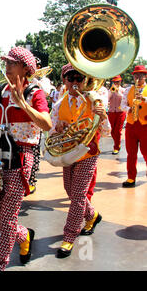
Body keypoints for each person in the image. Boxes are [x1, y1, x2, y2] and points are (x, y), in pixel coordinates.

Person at [0, 47, 52, 271]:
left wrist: (23, 103)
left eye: (12, 62)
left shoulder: (35, 92)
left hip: (22, 156)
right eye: (7, 62)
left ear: (25, 67)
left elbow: (46, 124)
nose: (7, 65)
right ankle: (23, 236)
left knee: (7, 217)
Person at [50, 63, 110, 258]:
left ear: (85, 80)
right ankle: (92, 216)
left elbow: (107, 132)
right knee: (70, 190)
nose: (76, 82)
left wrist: (103, 118)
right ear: (65, 81)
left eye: (80, 78)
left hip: (88, 153)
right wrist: (58, 127)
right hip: (68, 152)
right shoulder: (60, 102)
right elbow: (51, 128)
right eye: (71, 78)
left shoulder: (94, 99)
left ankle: (69, 237)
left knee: (77, 196)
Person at [121, 65, 147, 188]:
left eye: (141, 75)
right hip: (131, 124)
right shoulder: (128, 90)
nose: (138, 77)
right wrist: (128, 108)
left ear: (145, 76)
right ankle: (131, 177)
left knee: (146, 152)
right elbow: (122, 105)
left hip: (145, 125)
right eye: (136, 75)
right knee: (131, 153)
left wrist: (144, 99)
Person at [107, 75, 126, 155]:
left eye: (117, 82)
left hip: (120, 112)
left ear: (120, 82)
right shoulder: (110, 90)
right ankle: (117, 143)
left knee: (117, 131)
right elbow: (107, 99)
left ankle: (116, 147)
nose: (115, 83)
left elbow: (124, 99)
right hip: (111, 112)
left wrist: (117, 92)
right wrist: (111, 92)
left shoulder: (124, 90)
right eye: (114, 82)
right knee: (112, 131)